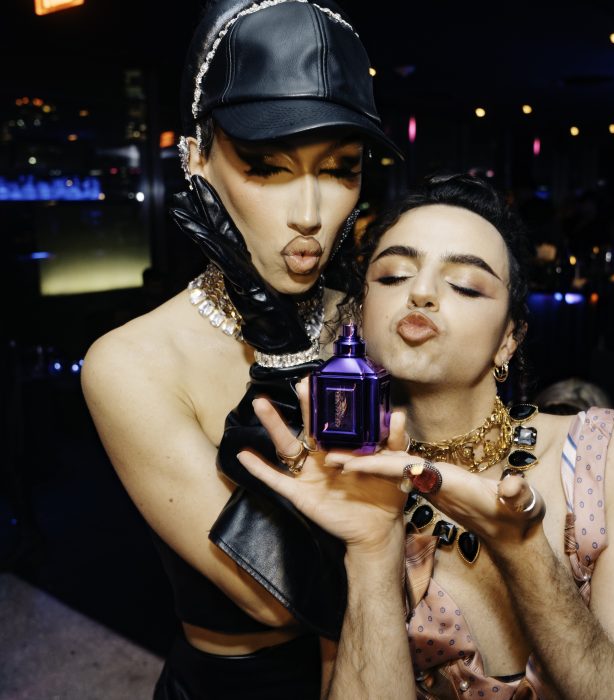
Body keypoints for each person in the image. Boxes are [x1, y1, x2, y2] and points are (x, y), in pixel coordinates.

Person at [239, 174, 614, 699]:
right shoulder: (341, 481)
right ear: (360, 313)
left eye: (466, 285)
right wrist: (373, 550)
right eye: (394, 276)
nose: (421, 293)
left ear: (508, 338)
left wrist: (523, 552)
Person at [81, 1, 400, 697]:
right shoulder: (132, 362)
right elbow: (277, 595)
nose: (310, 214)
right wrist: (281, 351)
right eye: (267, 167)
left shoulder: (378, 317)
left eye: (341, 168)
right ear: (196, 159)